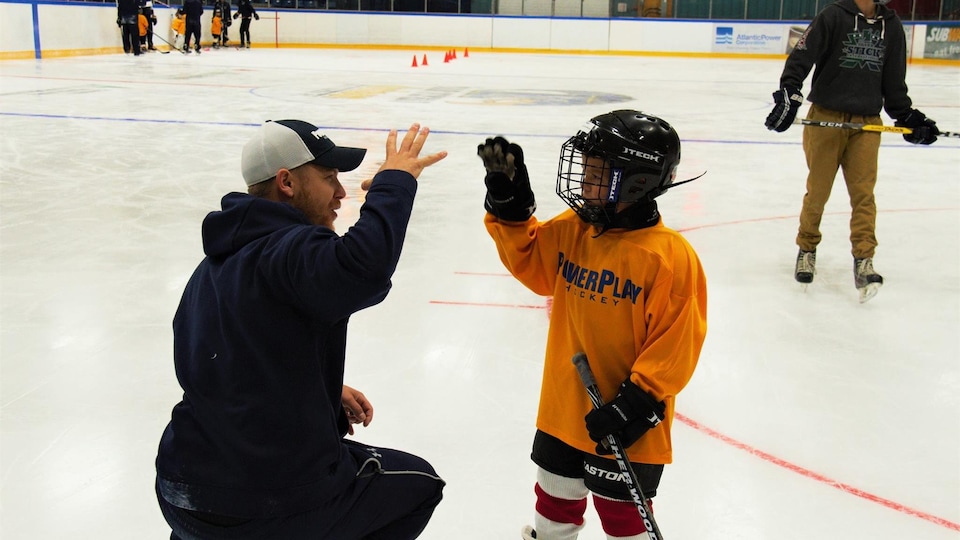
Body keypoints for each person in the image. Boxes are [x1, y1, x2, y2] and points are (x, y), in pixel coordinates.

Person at [155, 120, 447, 539]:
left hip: (183, 492)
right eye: (329, 179)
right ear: (287, 183)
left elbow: (225, 367)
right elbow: (360, 268)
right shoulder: (288, 249)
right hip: (266, 502)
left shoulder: (214, 267)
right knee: (419, 486)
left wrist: (319, 390)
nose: (342, 193)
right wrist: (394, 183)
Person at [478, 110, 707, 540]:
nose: (585, 181)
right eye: (586, 168)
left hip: (625, 421)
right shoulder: (577, 229)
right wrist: (511, 211)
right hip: (565, 408)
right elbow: (535, 267)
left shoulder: (668, 257)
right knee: (554, 503)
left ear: (637, 181)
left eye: (598, 173)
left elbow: (677, 344)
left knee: (623, 520)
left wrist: (636, 402)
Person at [764, 0, 940, 303]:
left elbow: (894, 81)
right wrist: (790, 93)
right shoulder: (833, 16)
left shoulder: (892, 26)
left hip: (867, 123)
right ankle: (807, 249)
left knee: (863, 194)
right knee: (818, 190)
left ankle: (864, 259)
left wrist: (907, 116)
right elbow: (800, 58)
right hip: (826, 117)